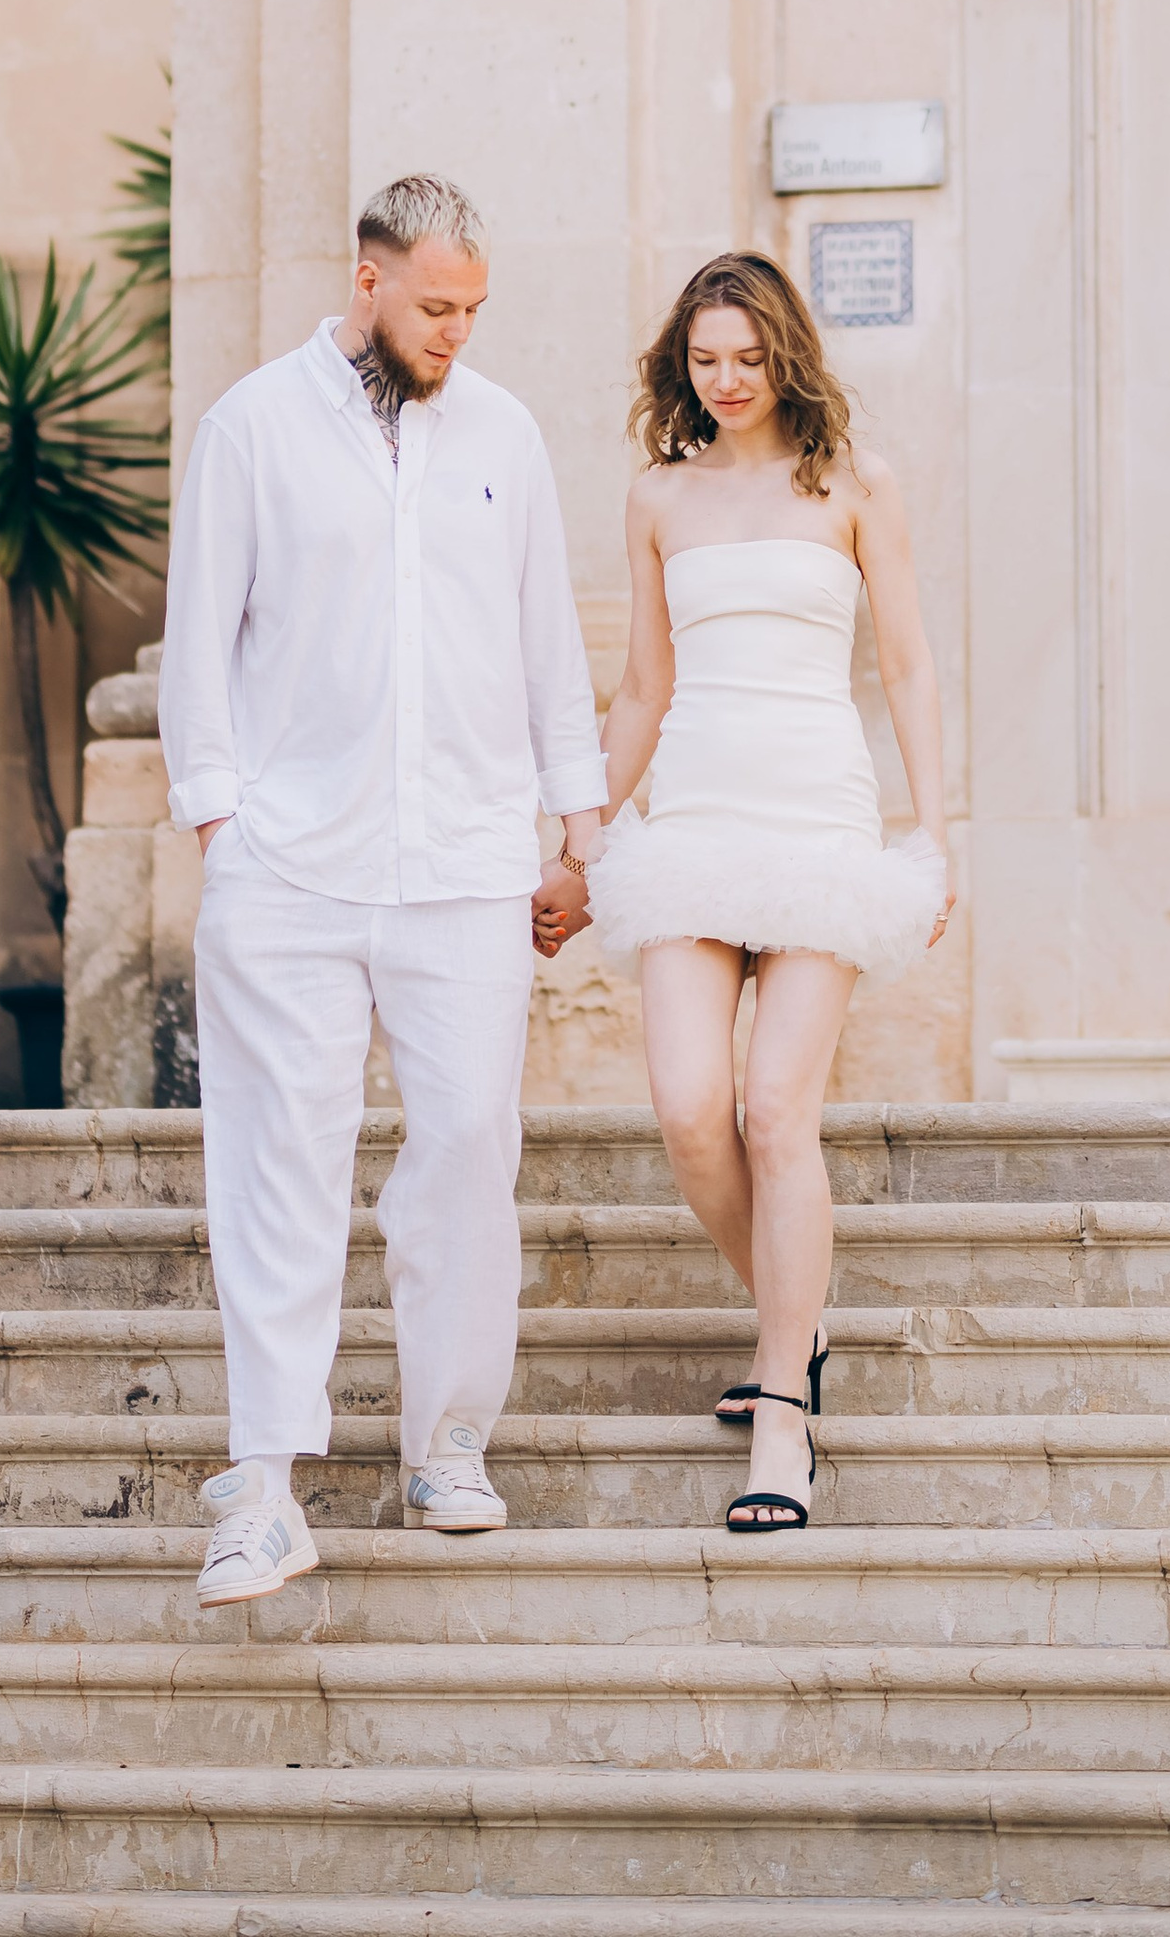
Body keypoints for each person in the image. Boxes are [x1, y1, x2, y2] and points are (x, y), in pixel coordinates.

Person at [157, 174, 606, 1608]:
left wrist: (578, 832)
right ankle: (267, 1488)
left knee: (470, 1139)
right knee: (280, 1161)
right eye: (433, 307)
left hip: (469, 862)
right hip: (287, 866)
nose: (455, 333)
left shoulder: (507, 436)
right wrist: (221, 826)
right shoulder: (251, 428)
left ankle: (446, 1441)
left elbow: (549, 644)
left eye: (473, 310)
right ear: (367, 281)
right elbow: (196, 642)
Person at [540, 251, 953, 1537]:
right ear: (684, 363)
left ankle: (783, 1408)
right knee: (684, 1108)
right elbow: (642, 689)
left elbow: (906, 666)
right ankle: (799, 1315)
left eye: (747, 358)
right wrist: (578, 837)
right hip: (694, 821)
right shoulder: (658, 496)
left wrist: (931, 833)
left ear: (787, 356)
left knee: (777, 1106)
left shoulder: (854, 483)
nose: (726, 381)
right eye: (705, 360)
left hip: (819, 822)